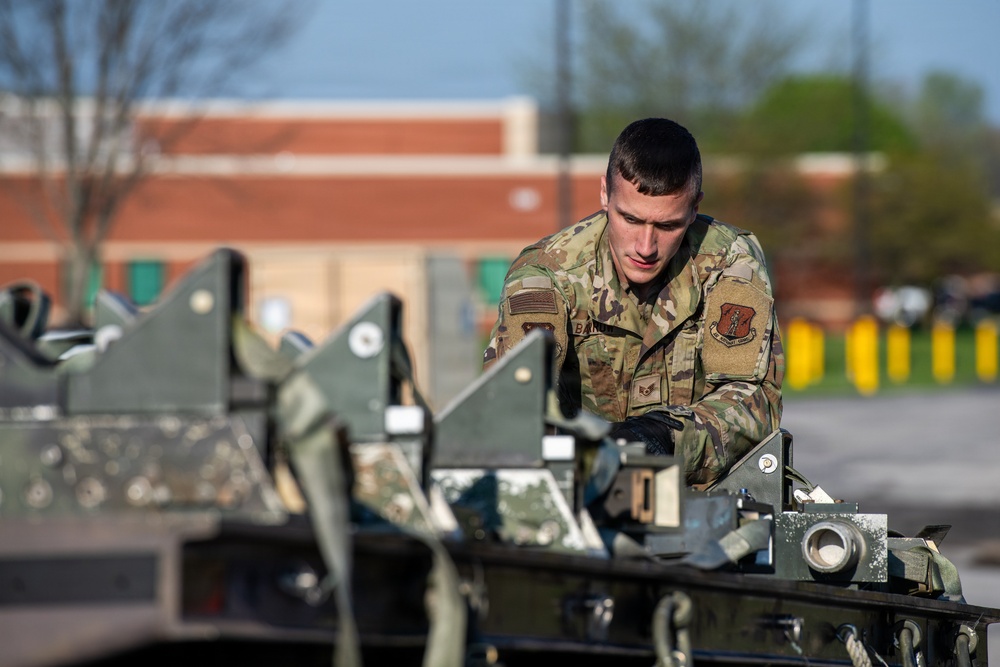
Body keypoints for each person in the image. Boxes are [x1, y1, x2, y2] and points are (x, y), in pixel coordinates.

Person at [483, 118, 784, 486]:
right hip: (575, 496)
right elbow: (512, 402)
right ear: (605, 194)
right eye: (630, 218)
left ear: (694, 209)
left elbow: (754, 402)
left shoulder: (730, 262)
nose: (645, 247)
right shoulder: (548, 274)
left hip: (704, 493)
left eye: (668, 225)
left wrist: (661, 438)